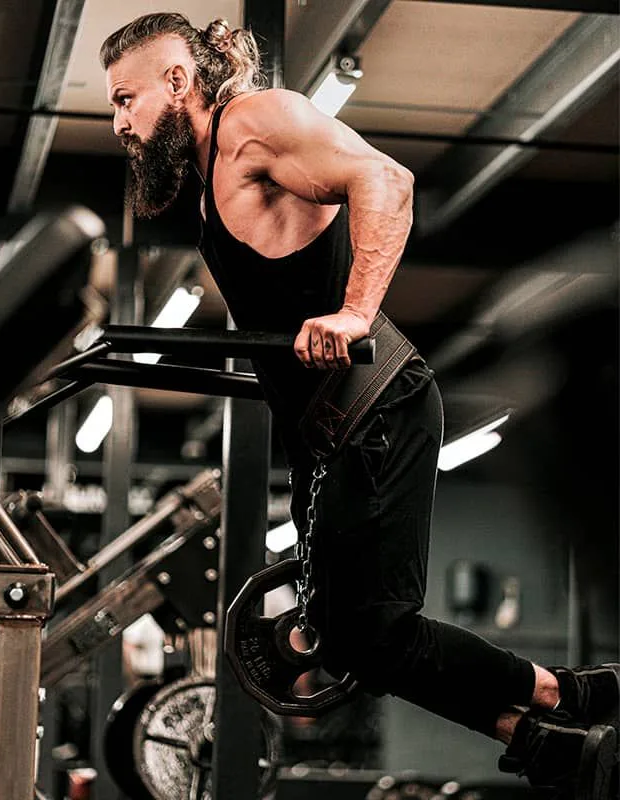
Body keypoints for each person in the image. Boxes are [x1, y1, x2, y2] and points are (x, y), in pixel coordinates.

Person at [100, 12, 619, 797]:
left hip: (377, 409)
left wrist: (353, 312)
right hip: (329, 433)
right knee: (350, 641)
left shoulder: (255, 124)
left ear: (177, 81)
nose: (119, 123)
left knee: (373, 632)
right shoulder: (212, 183)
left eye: (125, 99)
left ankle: (570, 698)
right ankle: (542, 742)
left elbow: (386, 181)